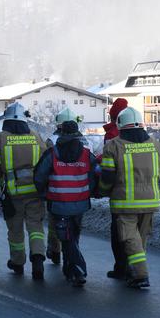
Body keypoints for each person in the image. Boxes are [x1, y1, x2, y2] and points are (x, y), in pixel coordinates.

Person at [100, 107, 160, 289]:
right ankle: (133, 270)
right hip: (151, 201)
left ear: (120, 124)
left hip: (125, 203)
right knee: (140, 240)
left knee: (130, 239)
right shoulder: (155, 144)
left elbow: (107, 177)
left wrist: (103, 191)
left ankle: (140, 275)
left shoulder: (113, 146)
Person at [0, 102, 47, 279]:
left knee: (16, 230)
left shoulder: (0, 138)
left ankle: (18, 263)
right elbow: (46, 159)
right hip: (35, 193)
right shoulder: (35, 136)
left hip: (13, 194)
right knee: (35, 227)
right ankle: (38, 259)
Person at [34, 120, 98, 287]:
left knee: (66, 238)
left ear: (61, 134)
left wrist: (44, 194)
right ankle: (70, 270)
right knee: (73, 236)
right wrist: (86, 192)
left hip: (59, 204)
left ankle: (78, 270)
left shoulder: (52, 154)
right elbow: (94, 177)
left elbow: (39, 176)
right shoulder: (86, 154)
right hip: (80, 204)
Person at [44, 107, 90, 265]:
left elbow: (44, 166)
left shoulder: (51, 141)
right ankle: (71, 255)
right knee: (75, 228)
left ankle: (55, 249)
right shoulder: (84, 142)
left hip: (57, 193)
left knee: (54, 224)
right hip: (79, 194)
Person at [102, 97, 129, 279]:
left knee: (118, 231)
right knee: (132, 234)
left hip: (119, 190)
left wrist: (103, 188)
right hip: (137, 188)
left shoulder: (111, 135)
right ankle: (131, 268)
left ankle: (122, 267)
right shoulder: (135, 133)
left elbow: (108, 164)